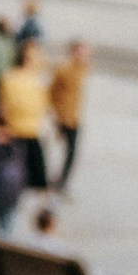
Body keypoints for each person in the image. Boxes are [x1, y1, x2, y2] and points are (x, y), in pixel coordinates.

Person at [0, 36, 52, 204]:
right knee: (35, 180)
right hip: (24, 132)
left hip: (19, 132)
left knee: (16, 177)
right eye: (36, 56)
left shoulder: (9, 77)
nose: (39, 59)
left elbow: (2, 108)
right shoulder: (36, 80)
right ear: (28, 59)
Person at [51, 40, 92, 197]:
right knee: (71, 152)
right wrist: (56, 114)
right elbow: (52, 91)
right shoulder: (64, 69)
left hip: (75, 117)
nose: (85, 56)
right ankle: (61, 182)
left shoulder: (81, 69)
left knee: (70, 152)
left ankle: (61, 180)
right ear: (73, 52)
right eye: (81, 52)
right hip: (65, 117)